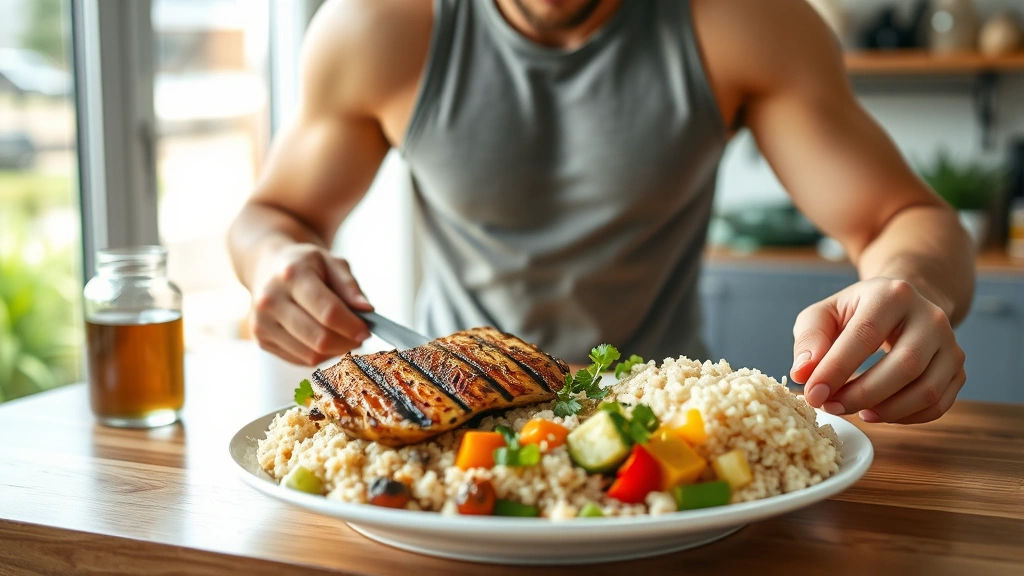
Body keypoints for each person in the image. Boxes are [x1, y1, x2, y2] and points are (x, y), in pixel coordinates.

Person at [228, 0, 974, 425]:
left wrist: (910, 290)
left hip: (665, 419)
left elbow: (903, 219)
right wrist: (275, 262)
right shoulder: (377, 25)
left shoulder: (743, 19)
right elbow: (275, 213)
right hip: (454, 416)